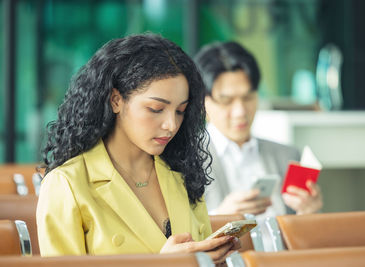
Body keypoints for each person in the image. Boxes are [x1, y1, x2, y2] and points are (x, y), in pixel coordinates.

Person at [36, 34, 239, 264]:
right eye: (155, 109)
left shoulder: (182, 174)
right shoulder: (67, 185)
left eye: (180, 111)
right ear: (115, 100)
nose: (171, 125)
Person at [194, 41, 323, 250]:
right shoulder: (186, 160)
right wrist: (220, 217)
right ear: (202, 102)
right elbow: (178, 238)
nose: (240, 111)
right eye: (226, 101)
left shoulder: (287, 155)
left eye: (248, 97)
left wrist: (308, 214)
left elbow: (309, 242)